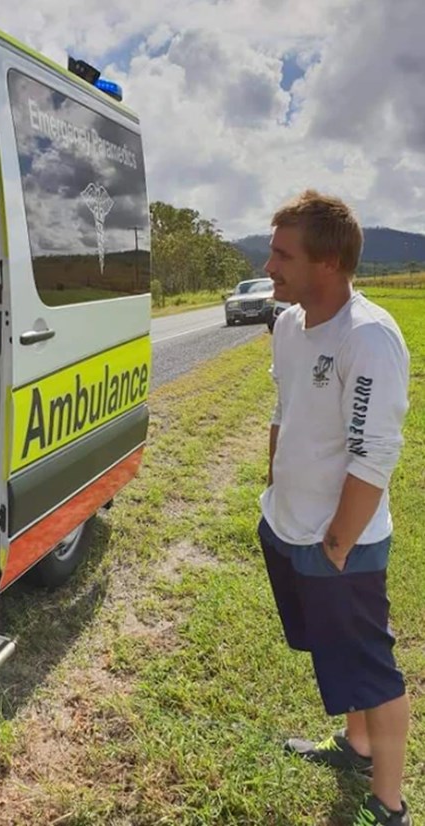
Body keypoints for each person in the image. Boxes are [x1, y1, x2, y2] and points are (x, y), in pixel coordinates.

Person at [259, 190, 411, 826]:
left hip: (337, 542)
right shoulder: (291, 325)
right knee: (335, 651)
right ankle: (354, 748)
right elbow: (284, 412)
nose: (269, 266)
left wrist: (339, 544)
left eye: (282, 255)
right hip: (288, 524)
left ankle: (390, 802)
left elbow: (374, 456)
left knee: (372, 667)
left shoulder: (368, 337)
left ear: (327, 264)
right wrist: (273, 492)